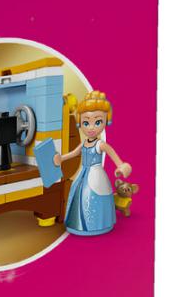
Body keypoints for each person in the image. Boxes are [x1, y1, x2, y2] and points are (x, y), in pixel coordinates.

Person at [53, 89, 132, 237]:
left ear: (106, 121)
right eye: (86, 122)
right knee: (78, 195)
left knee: (92, 197)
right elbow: (74, 153)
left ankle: (97, 225)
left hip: (96, 176)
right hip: (83, 174)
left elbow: (114, 156)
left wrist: (121, 166)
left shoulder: (100, 144)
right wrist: (61, 158)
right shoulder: (84, 143)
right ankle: (78, 225)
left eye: (97, 122)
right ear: (80, 123)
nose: (91, 127)